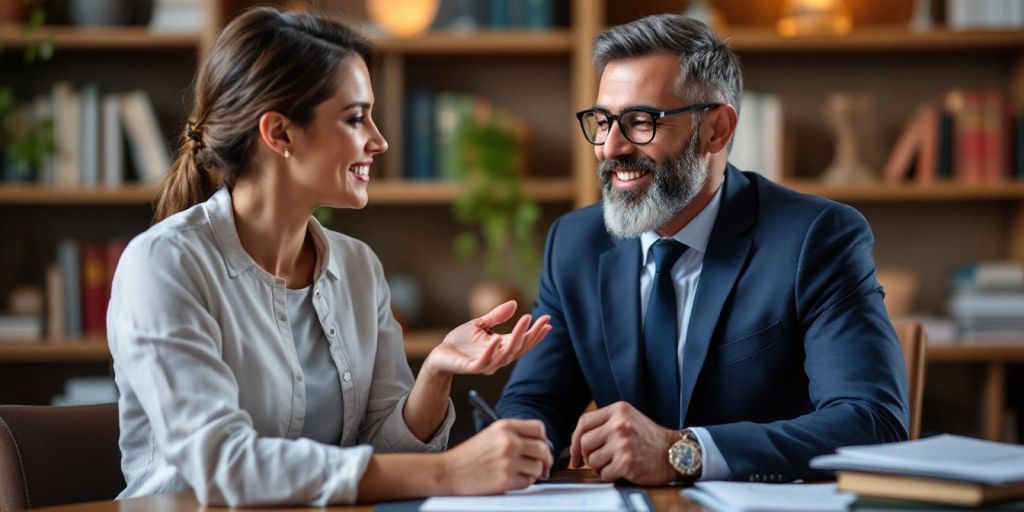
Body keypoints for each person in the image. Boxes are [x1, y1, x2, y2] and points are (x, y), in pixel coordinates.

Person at [107, 6, 553, 507]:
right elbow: (225, 466)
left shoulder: (359, 266)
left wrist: (434, 375)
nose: (379, 141)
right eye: (355, 118)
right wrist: (449, 471)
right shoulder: (164, 265)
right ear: (279, 133)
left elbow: (375, 449)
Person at [497, 13, 909, 485]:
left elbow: (873, 424)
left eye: (640, 122)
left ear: (717, 129)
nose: (610, 148)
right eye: (603, 121)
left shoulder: (816, 237)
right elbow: (535, 406)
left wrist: (681, 452)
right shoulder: (574, 244)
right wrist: (516, 445)